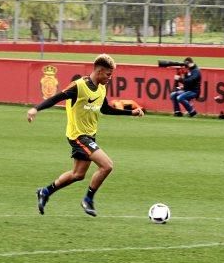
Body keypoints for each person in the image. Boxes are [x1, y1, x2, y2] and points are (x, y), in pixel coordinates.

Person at [27, 54, 144, 217]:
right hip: (78, 136)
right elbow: (56, 98)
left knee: (78, 175)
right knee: (107, 165)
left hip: (89, 136)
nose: (110, 78)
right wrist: (35, 109)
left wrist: (131, 112)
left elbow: (106, 109)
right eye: (108, 74)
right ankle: (88, 199)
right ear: (100, 71)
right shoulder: (78, 86)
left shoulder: (101, 87)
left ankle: (45, 191)